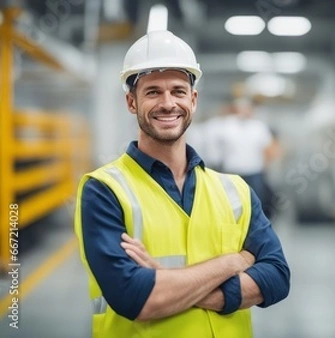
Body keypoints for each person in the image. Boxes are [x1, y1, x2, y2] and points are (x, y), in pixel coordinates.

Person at [73, 30, 290, 338]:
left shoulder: (235, 190)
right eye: (152, 92)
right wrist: (233, 261)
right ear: (131, 102)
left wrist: (165, 279)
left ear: (193, 99)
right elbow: (136, 297)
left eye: (177, 91)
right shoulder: (104, 189)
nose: (167, 103)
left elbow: (277, 279)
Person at [200, 98, 281, 218]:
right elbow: (214, 146)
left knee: (256, 205)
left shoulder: (258, 127)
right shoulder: (226, 125)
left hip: (254, 171)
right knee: (231, 205)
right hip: (232, 172)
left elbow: (268, 149)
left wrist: (265, 168)